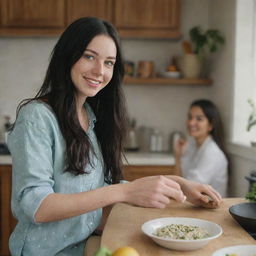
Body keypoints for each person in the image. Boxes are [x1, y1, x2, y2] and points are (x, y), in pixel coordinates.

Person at [7, 17, 222, 256]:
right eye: (89, 56)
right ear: (68, 56)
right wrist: (124, 192)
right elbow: (37, 206)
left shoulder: (89, 115)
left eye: (109, 62)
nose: (100, 71)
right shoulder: (37, 116)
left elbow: (99, 190)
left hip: (83, 245)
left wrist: (178, 184)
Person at [174, 99, 228, 197]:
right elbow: (179, 183)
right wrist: (178, 156)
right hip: (193, 204)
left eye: (199, 119)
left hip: (209, 209)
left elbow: (187, 190)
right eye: (190, 117)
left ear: (210, 125)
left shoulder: (212, 153)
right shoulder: (192, 146)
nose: (191, 123)